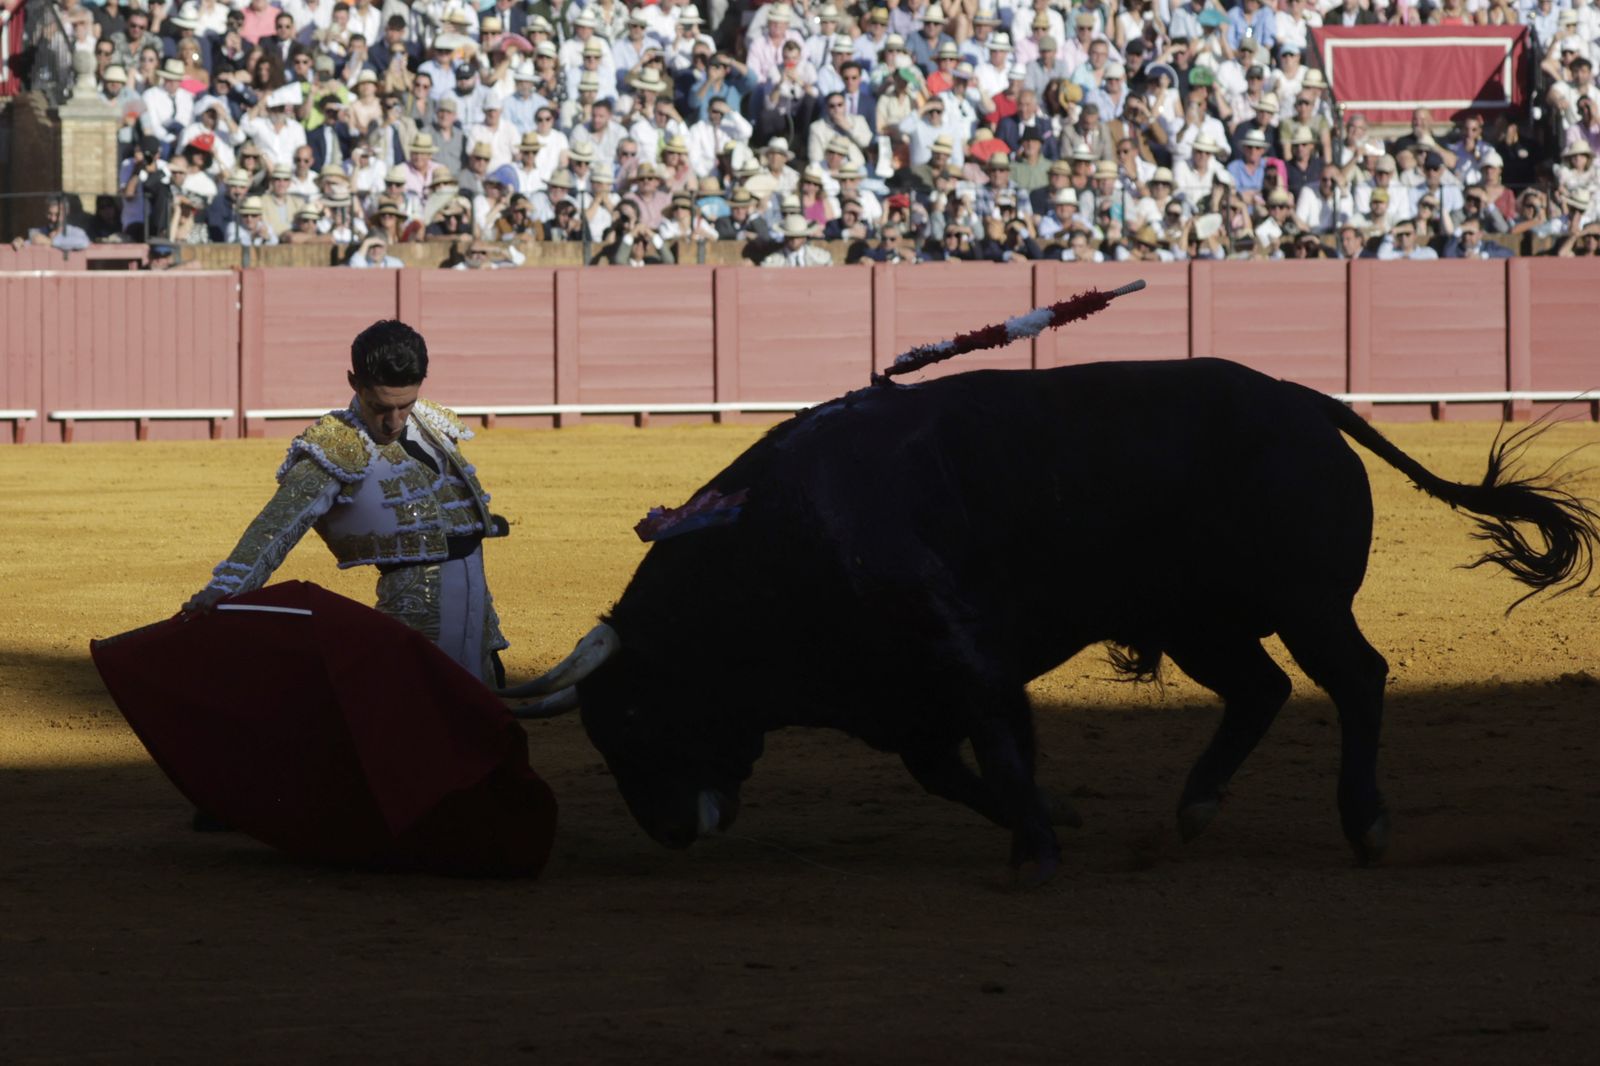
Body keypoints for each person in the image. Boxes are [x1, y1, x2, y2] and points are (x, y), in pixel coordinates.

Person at [181, 320, 510, 687]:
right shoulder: (334, 447)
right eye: (381, 407)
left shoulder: (431, 424)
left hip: (478, 617)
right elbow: (276, 528)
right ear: (355, 383)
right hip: (414, 621)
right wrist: (224, 589)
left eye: (406, 405)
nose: (394, 421)